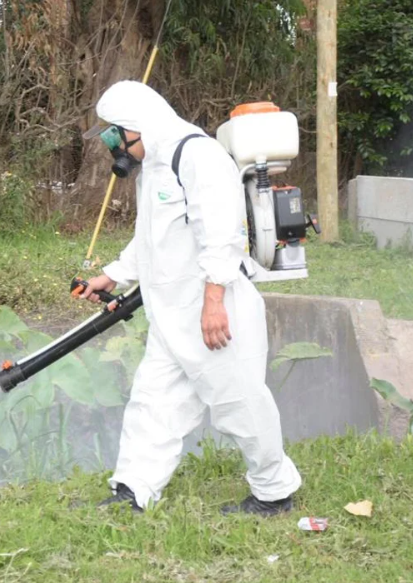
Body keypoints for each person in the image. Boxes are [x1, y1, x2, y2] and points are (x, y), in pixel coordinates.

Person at [80, 80, 301, 516]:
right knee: (153, 401)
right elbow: (154, 239)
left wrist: (214, 302)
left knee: (240, 403)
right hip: (171, 313)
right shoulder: (156, 166)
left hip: (212, 309)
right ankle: (133, 491)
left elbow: (223, 235)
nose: (111, 145)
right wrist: (113, 275)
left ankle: (273, 492)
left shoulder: (196, 155)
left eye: (113, 134)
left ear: (137, 127)